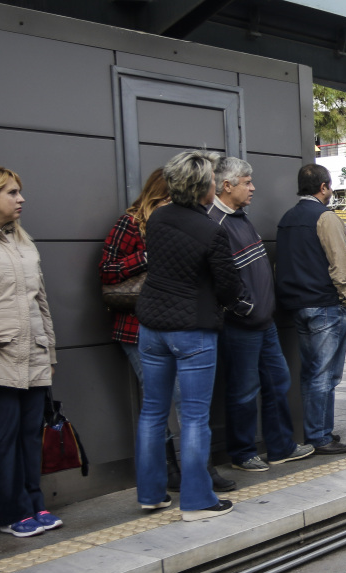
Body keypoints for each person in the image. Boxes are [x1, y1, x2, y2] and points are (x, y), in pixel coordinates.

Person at [100, 170, 235, 493]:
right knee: (179, 406)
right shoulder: (131, 223)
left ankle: (162, 485)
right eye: (166, 198)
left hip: (158, 323)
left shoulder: (166, 222)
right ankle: (184, 478)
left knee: (161, 406)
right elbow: (108, 270)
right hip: (139, 326)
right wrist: (147, 256)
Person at [135, 150, 249, 521]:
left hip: (152, 326)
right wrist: (233, 303)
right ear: (205, 189)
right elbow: (228, 284)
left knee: (152, 412)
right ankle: (198, 500)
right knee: (195, 416)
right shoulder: (211, 231)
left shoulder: (157, 219)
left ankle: (150, 494)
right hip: (193, 331)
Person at [207, 157, 315, 473]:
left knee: (277, 380)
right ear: (227, 186)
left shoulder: (240, 218)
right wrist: (245, 309)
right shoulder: (214, 223)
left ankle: (280, 446)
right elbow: (219, 281)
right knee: (243, 389)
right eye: (246, 182)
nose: (253, 188)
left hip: (263, 321)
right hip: (241, 324)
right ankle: (241, 452)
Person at [0, 166, 60, 537]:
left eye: (19, 192)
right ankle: (12, 513)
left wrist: (51, 353)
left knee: (29, 435)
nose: (21, 198)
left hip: (34, 354)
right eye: (11, 192)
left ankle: (35, 504)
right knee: (1, 438)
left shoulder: (25, 243)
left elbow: (41, 302)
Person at [274, 164, 346, 456]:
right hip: (325, 304)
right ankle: (320, 435)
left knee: (310, 372)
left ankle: (317, 428)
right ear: (323, 187)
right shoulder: (326, 217)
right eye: (330, 187)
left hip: (297, 305)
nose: (331, 192)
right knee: (325, 375)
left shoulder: (287, 219)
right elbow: (340, 263)